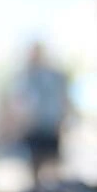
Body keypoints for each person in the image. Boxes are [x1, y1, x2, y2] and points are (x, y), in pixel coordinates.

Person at [13, 43, 69, 179]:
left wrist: (62, 121)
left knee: (52, 162)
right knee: (35, 162)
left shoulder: (54, 76)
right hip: (35, 126)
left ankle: (53, 187)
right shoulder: (27, 76)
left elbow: (62, 99)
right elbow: (21, 102)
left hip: (50, 125)